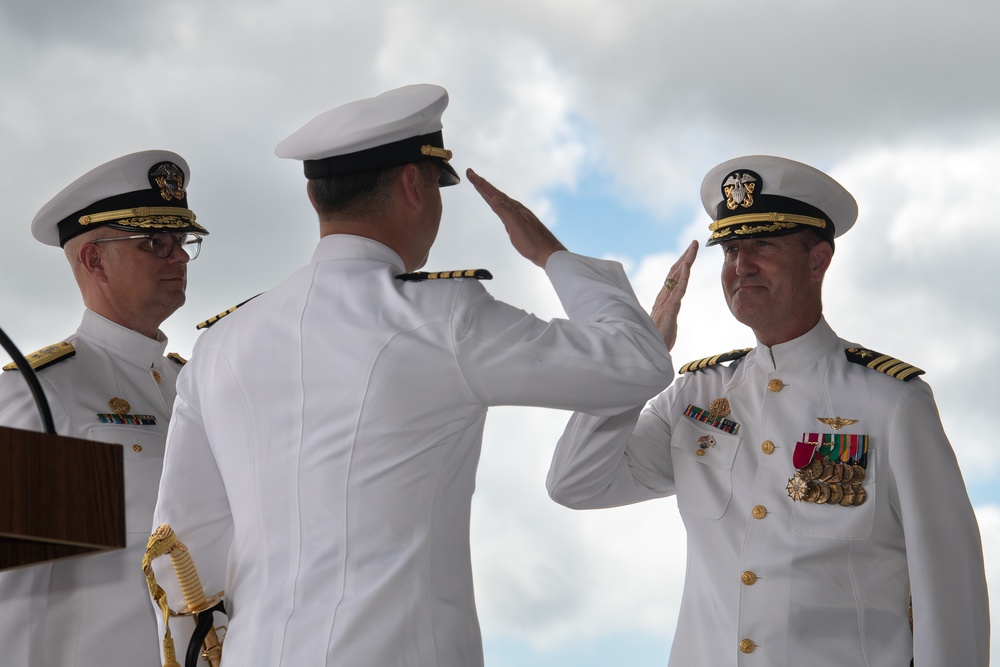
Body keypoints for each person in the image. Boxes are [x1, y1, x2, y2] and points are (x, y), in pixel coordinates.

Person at [147, 83, 674, 666]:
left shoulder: (219, 344)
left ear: (312, 193)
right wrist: (553, 254)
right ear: (412, 185)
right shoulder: (441, 317)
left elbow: (181, 547)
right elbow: (637, 362)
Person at [546, 155, 990, 665]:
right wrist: (633, 364)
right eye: (731, 249)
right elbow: (574, 484)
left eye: (763, 245)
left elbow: (949, 587)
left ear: (818, 260)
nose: (742, 266)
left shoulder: (891, 401)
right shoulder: (695, 395)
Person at [0, 150, 210, 666]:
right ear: (94, 260)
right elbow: (14, 590)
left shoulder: (194, 385)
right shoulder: (48, 393)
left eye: (182, 242)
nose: (179, 258)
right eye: (155, 243)